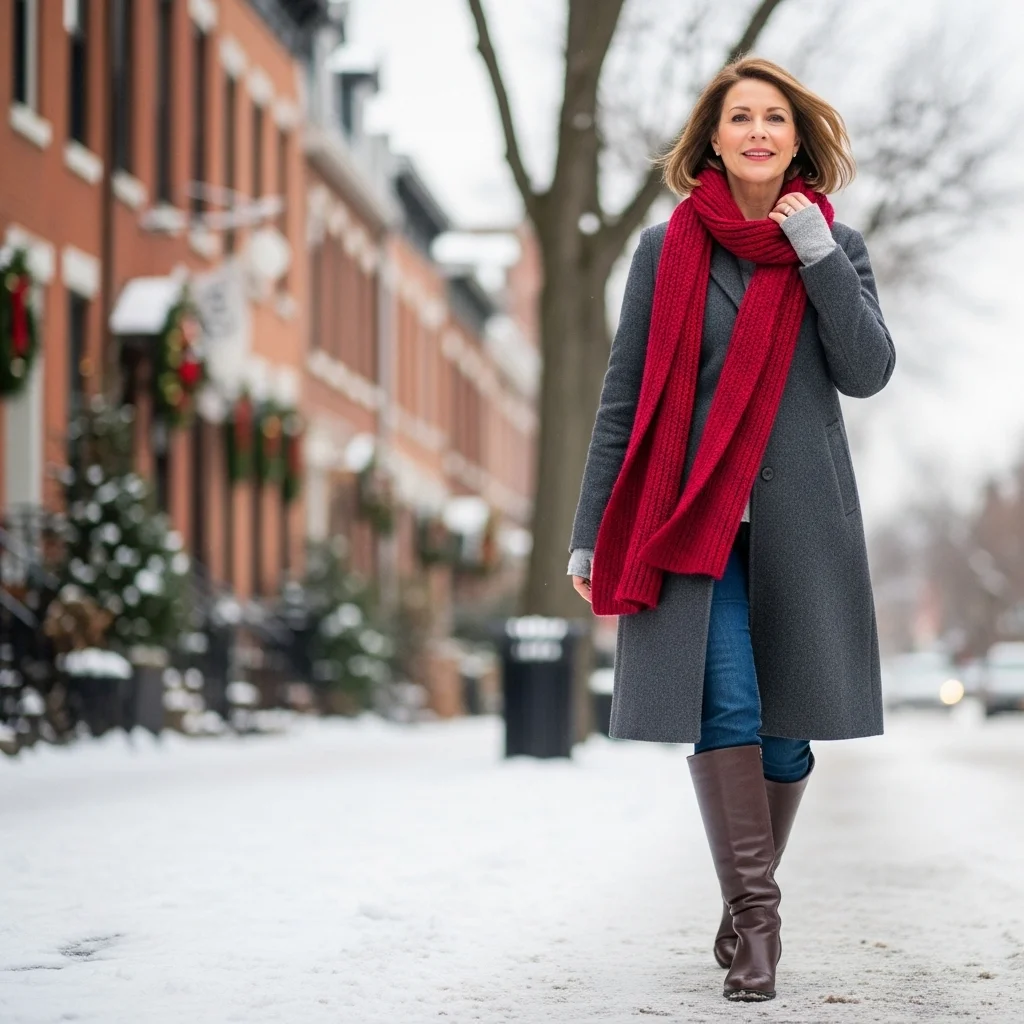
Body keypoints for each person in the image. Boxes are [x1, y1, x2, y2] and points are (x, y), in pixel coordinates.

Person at [567, 56, 895, 1003]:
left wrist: (816, 256)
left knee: (787, 736)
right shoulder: (664, 251)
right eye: (740, 116)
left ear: (798, 141)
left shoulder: (836, 246)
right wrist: (591, 530)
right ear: (713, 137)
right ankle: (759, 924)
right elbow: (623, 397)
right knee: (728, 713)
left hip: (802, 528)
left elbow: (867, 370)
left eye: (775, 119)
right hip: (689, 524)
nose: (758, 131)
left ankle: (743, 899)